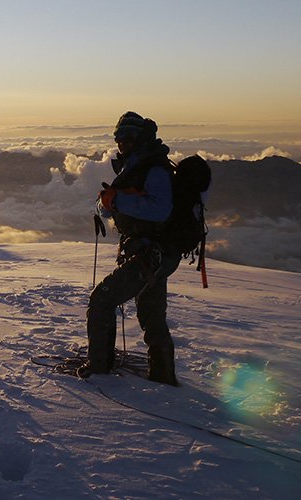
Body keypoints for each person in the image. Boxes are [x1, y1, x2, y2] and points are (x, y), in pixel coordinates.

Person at [83, 111, 181, 385]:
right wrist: (109, 203)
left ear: (140, 138)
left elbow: (160, 210)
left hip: (151, 254)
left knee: (102, 300)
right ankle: (163, 376)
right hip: (156, 254)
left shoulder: (154, 169)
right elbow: (119, 206)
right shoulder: (138, 166)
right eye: (118, 137)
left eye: (128, 137)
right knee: (151, 314)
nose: (122, 143)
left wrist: (117, 202)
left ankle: (99, 370)